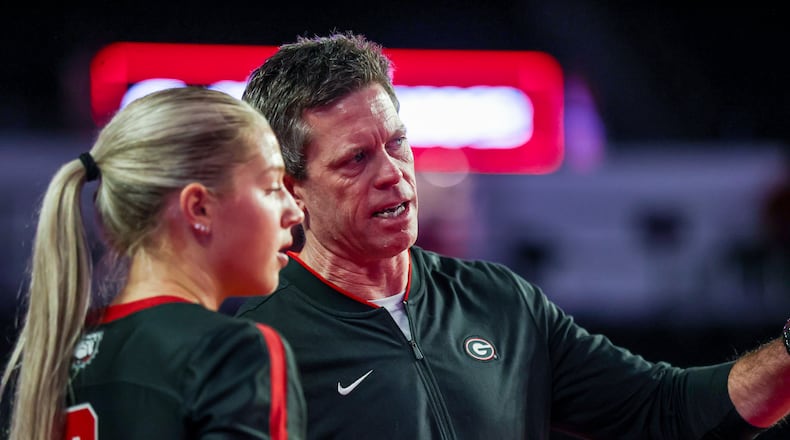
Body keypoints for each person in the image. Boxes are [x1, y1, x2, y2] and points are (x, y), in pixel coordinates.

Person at [236, 31, 790, 439]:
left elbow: (668, 411)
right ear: (291, 189)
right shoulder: (249, 347)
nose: (392, 172)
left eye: (397, 143)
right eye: (356, 159)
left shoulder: (500, 301)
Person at [0, 87, 307, 439]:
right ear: (200, 208)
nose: (294, 211)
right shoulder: (231, 353)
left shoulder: (54, 355)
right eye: (271, 187)